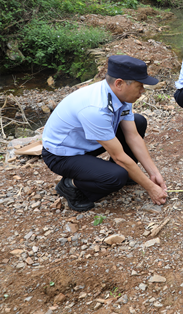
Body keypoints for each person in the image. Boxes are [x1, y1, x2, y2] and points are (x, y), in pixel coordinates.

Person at [42, 55, 168, 212]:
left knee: (138, 121)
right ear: (119, 83)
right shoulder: (95, 108)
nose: (142, 91)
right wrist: (150, 188)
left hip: (87, 143)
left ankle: (123, 173)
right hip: (62, 155)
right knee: (117, 177)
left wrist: (153, 173)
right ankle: (71, 186)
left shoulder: (121, 95)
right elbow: (119, 157)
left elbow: (133, 136)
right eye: (139, 86)